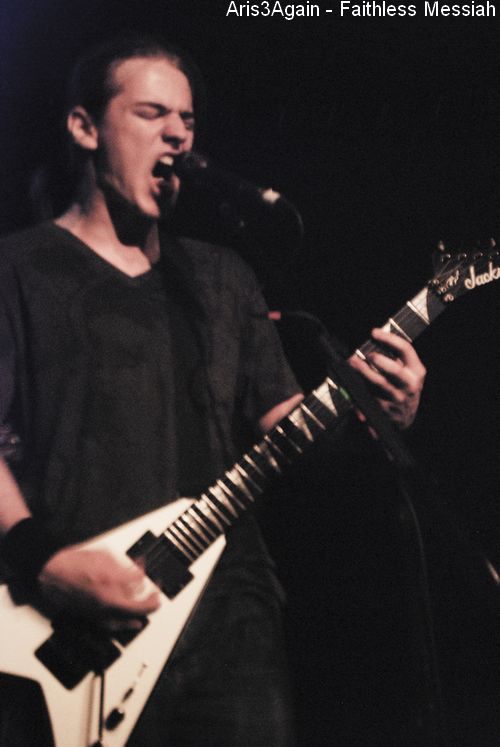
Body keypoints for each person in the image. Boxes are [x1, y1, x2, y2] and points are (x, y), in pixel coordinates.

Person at [0, 36, 426, 746]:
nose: (177, 134)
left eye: (188, 120)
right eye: (151, 113)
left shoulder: (222, 275)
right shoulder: (17, 269)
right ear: (84, 127)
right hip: (78, 619)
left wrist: (377, 414)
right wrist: (41, 560)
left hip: (231, 621)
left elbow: (286, 427)